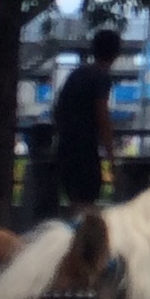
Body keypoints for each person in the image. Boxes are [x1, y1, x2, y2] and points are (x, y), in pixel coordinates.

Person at [50, 29, 122, 211]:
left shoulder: (77, 74)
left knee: (75, 200)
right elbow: (102, 115)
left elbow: (57, 109)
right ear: (115, 53)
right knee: (87, 200)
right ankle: (83, 229)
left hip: (65, 146)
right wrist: (111, 154)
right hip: (85, 149)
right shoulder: (102, 78)